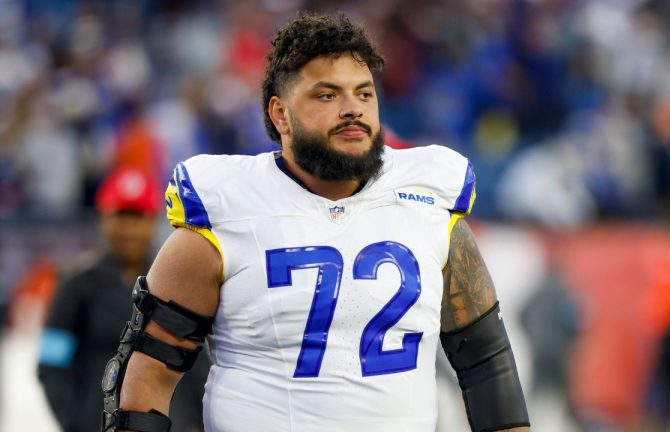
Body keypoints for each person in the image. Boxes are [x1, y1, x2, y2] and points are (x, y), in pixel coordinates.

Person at [101, 12, 530, 432]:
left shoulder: (428, 202)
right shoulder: (226, 209)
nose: (352, 109)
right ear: (280, 114)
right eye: (327, 95)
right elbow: (149, 371)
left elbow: (485, 362)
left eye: (364, 94)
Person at [38, 167, 209, 432]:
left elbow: (199, 361)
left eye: (137, 217)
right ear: (103, 219)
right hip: (96, 424)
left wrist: (198, 422)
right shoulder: (76, 286)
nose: (129, 229)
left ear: (152, 221)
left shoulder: (180, 281)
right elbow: (51, 363)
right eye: (121, 216)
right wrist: (74, 422)